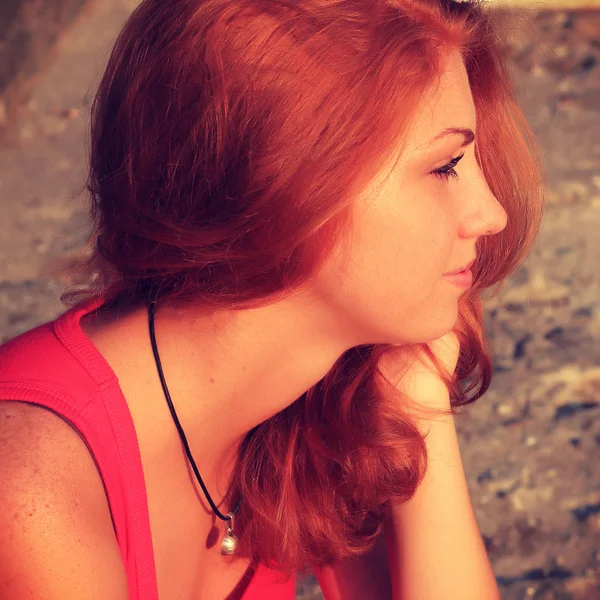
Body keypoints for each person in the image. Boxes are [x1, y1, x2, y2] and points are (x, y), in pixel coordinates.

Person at [0, 0, 544, 598]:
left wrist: (418, 400)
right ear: (284, 182)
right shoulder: (29, 492)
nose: (490, 215)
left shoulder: (307, 415)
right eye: (445, 166)